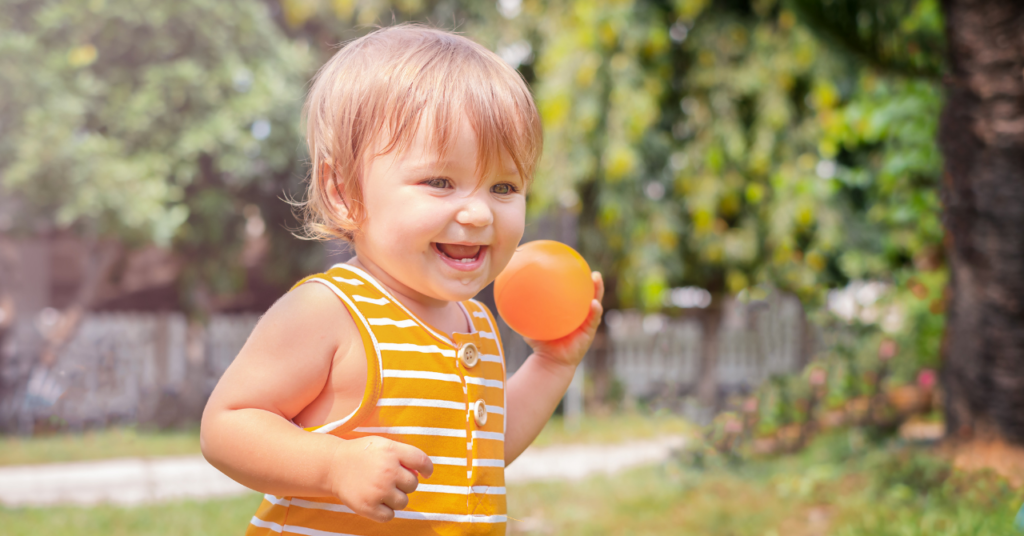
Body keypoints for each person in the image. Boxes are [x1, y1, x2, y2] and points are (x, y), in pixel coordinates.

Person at [200, 24, 603, 536]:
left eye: (504, 186)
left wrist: (550, 363)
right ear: (344, 191)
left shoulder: (475, 324)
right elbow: (226, 426)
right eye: (440, 182)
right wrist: (333, 466)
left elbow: (480, 455)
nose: (479, 212)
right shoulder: (331, 310)